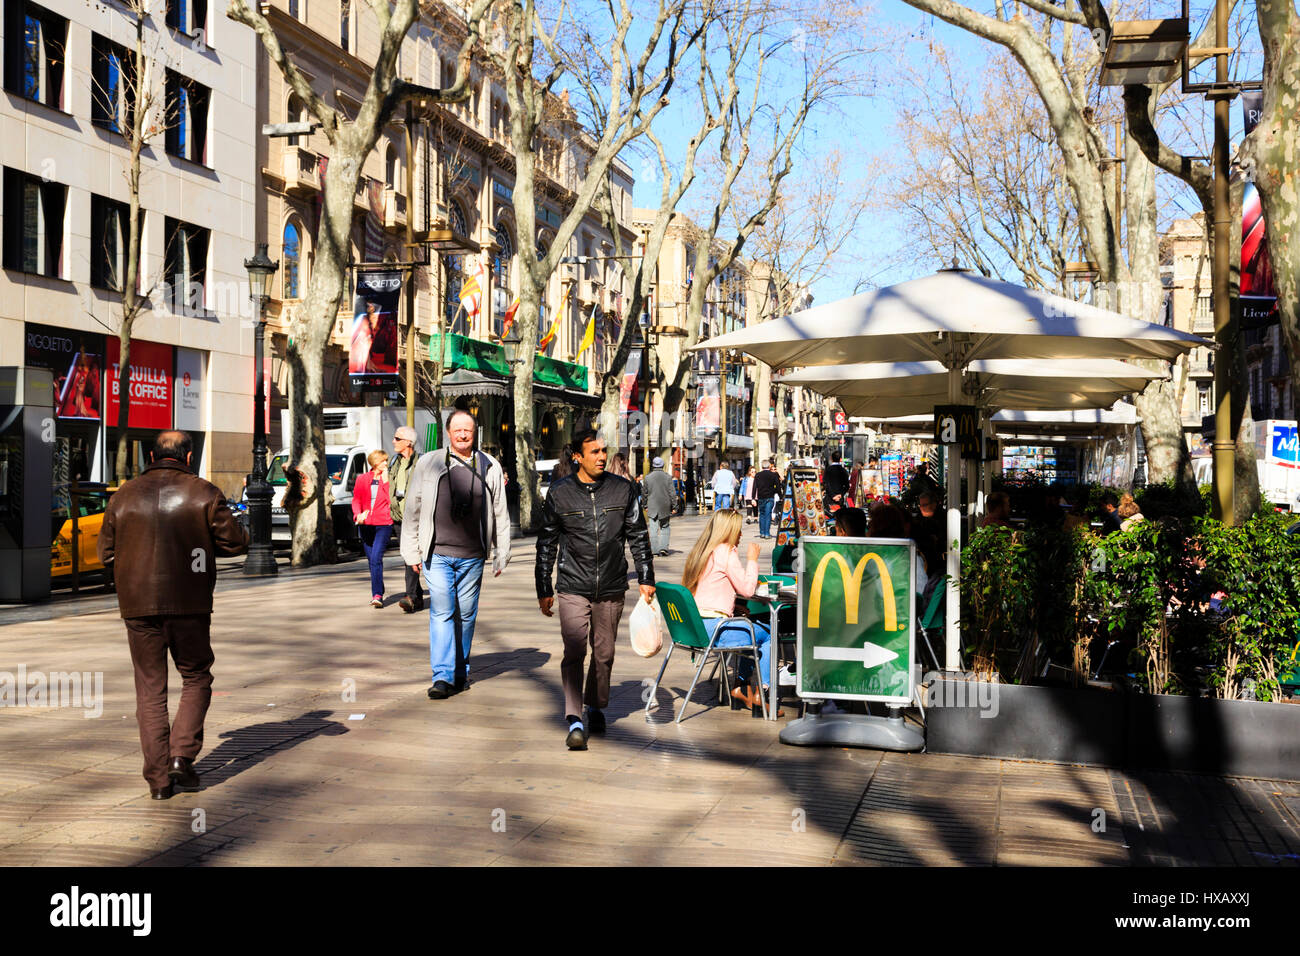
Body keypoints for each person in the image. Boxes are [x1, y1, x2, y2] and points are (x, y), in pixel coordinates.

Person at [98, 430, 249, 800]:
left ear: (151, 454)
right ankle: (181, 755)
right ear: (188, 456)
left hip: (137, 605)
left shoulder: (124, 495)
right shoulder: (203, 492)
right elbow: (234, 542)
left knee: (150, 689)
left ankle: (158, 780)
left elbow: (105, 553)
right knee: (196, 676)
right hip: (189, 602)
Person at [536, 428, 655, 750]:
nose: (602, 457)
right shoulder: (560, 493)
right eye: (594, 452)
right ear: (577, 456)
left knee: (604, 653)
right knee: (575, 649)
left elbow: (639, 535)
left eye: (604, 451)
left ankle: (595, 705)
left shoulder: (623, 490)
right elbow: (546, 542)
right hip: (573, 584)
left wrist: (646, 577)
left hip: (613, 585)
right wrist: (543, 585)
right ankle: (574, 718)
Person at [401, 409, 511, 700]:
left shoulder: (490, 465)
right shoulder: (429, 462)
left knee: (466, 615)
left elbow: (500, 510)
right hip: (436, 553)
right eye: (458, 430)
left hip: (473, 556)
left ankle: (460, 671)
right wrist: (411, 552)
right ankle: (442, 676)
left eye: (468, 430)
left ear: (475, 434)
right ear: (448, 432)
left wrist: (502, 551)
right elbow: (412, 509)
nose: (463, 435)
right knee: (442, 611)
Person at [682, 509, 774, 713]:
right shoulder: (726, 551)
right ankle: (762, 692)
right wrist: (752, 559)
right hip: (715, 629)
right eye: (739, 530)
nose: (741, 535)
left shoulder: (702, 551)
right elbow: (748, 589)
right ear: (730, 531)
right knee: (768, 632)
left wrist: (734, 607)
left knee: (748, 627)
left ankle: (740, 686)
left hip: (695, 627)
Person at [388, 426, 424, 613]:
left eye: (397, 438)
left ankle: (410, 596)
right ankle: (416, 598)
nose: (393, 441)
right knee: (407, 556)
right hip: (398, 516)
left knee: (412, 555)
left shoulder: (421, 462)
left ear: (408, 442)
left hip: (416, 517)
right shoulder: (394, 461)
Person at [352, 450, 393, 608]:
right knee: (371, 561)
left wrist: (386, 482)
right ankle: (379, 587)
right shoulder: (362, 479)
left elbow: (391, 500)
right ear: (375, 463)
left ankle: (377, 595)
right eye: (383, 461)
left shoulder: (387, 479)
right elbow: (356, 499)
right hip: (365, 524)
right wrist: (358, 515)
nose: (385, 464)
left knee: (376, 558)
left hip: (384, 524)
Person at [349, 299, 398, 374]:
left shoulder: (368, 316)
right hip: (363, 333)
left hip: (364, 332)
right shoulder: (366, 319)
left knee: (365, 347)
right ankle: (366, 366)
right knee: (365, 346)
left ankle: (367, 366)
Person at [642, 455, 675, 557]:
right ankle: (663, 548)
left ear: (653, 465)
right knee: (665, 527)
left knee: (653, 529)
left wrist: (644, 505)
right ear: (663, 465)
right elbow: (672, 493)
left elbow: (644, 493)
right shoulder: (668, 477)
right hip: (665, 506)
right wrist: (674, 506)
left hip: (652, 506)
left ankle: (654, 549)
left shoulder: (647, 478)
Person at [754, 458, 783, 539]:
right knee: (768, 514)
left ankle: (762, 532)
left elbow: (754, 487)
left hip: (760, 497)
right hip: (770, 497)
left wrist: (753, 498)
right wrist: (780, 496)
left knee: (762, 514)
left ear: (762, 466)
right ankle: (767, 533)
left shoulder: (757, 475)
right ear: (769, 466)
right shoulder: (773, 475)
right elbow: (778, 487)